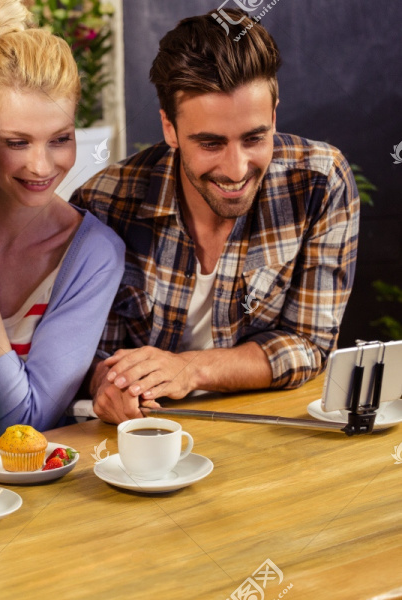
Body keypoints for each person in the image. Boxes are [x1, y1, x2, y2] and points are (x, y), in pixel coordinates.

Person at [73, 8, 360, 424]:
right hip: (143, 439)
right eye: (210, 143)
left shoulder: (319, 182)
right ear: (169, 129)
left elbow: (310, 343)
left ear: (274, 116)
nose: (237, 168)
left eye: (254, 138)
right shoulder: (104, 203)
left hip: (267, 428)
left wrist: (190, 369)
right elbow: (79, 355)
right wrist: (106, 382)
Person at [0, 0, 125, 448]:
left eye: (60, 139)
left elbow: (25, 428)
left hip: (41, 499)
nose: (42, 165)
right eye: (17, 142)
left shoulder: (93, 254)